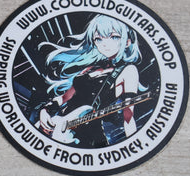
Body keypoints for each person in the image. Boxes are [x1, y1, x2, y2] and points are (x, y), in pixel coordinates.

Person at [38, 14, 142, 148]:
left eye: (114, 37)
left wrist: (133, 148)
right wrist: (45, 110)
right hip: (59, 128)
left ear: (127, 42)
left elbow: (128, 117)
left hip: (88, 138)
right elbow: (64, 98)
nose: (105, 44)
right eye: (98, 39)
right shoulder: (91, 68)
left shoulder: (128, 70)